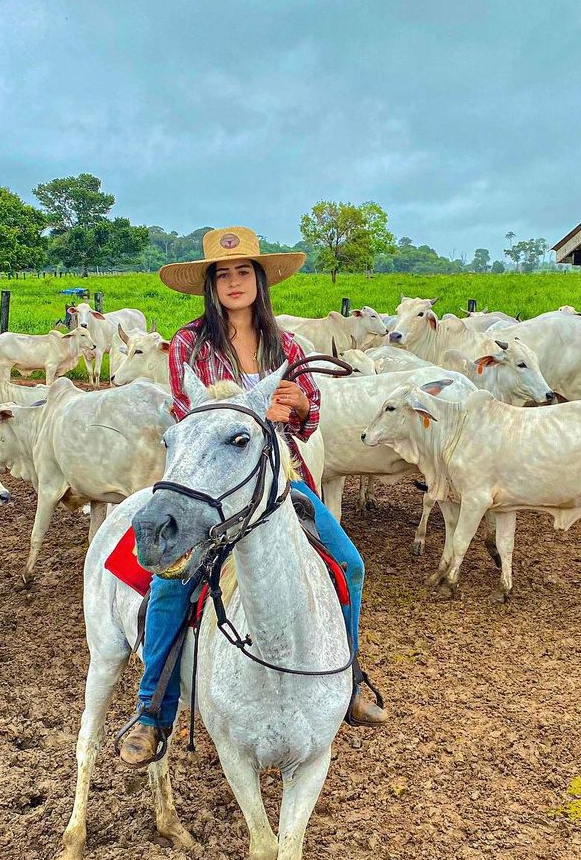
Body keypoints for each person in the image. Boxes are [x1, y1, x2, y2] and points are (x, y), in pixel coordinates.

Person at [116, 226, 388, 768]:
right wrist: (249, 415)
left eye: (244, 272)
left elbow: (309, 417)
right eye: (223, 274)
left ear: (259, 281)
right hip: (213, 481)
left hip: (280, 479)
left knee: (349, 565)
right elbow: (184, 414)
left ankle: (349, 676)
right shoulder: (190, 343)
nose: (234, 282)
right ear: (211, 285)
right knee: (172, 577)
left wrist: (300, 409)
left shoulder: (285, 346)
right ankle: (153, 710)